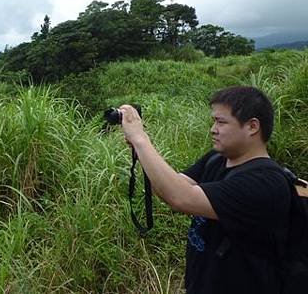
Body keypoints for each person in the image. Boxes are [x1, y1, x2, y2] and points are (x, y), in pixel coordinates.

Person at [119, 86, 290, 294]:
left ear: (252, 126)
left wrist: (141, 139)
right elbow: (169, 186)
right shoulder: (218, 159)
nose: (213, 129)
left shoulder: (265, 183)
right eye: (213, 121)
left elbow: (180, 197)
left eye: (221, 122)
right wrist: (141, 147)